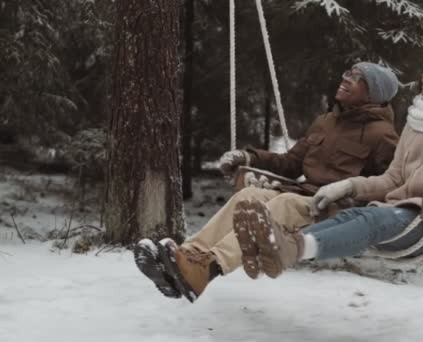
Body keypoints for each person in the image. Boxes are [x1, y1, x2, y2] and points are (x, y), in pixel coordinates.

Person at [233, 46, 423, 279]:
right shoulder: (418, 122)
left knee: (373, 217)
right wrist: (347, 186)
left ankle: (292, 249)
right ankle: (280, 247)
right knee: (353, 216)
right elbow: (392, 179)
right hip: (398, 212)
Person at [134, 62, 401, 302]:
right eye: (348, 72)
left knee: (281, 204)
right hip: (303, 194)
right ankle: (182, 261)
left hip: (334, 208)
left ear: (373, 93)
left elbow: (388, 183)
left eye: (357, 77)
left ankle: (210, 267)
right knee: (248, 196)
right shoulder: (326, 122)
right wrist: (248, 156)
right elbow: (291, 162)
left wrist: (353, 197)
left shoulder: (383, 135)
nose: (346, 79)